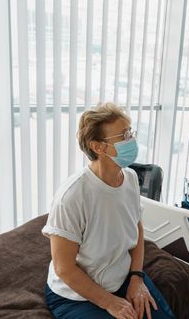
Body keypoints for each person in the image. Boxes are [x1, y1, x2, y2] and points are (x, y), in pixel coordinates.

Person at [42, 103, 175, 319]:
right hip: (75, 296)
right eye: (124, 136)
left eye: (130, 132)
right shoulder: (72, 197)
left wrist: (136, 277)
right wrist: (110, 302)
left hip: (121, 279)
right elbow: (64, 268)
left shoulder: (130, 178)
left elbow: (137, 230)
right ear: (98, 147)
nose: (131, 140)